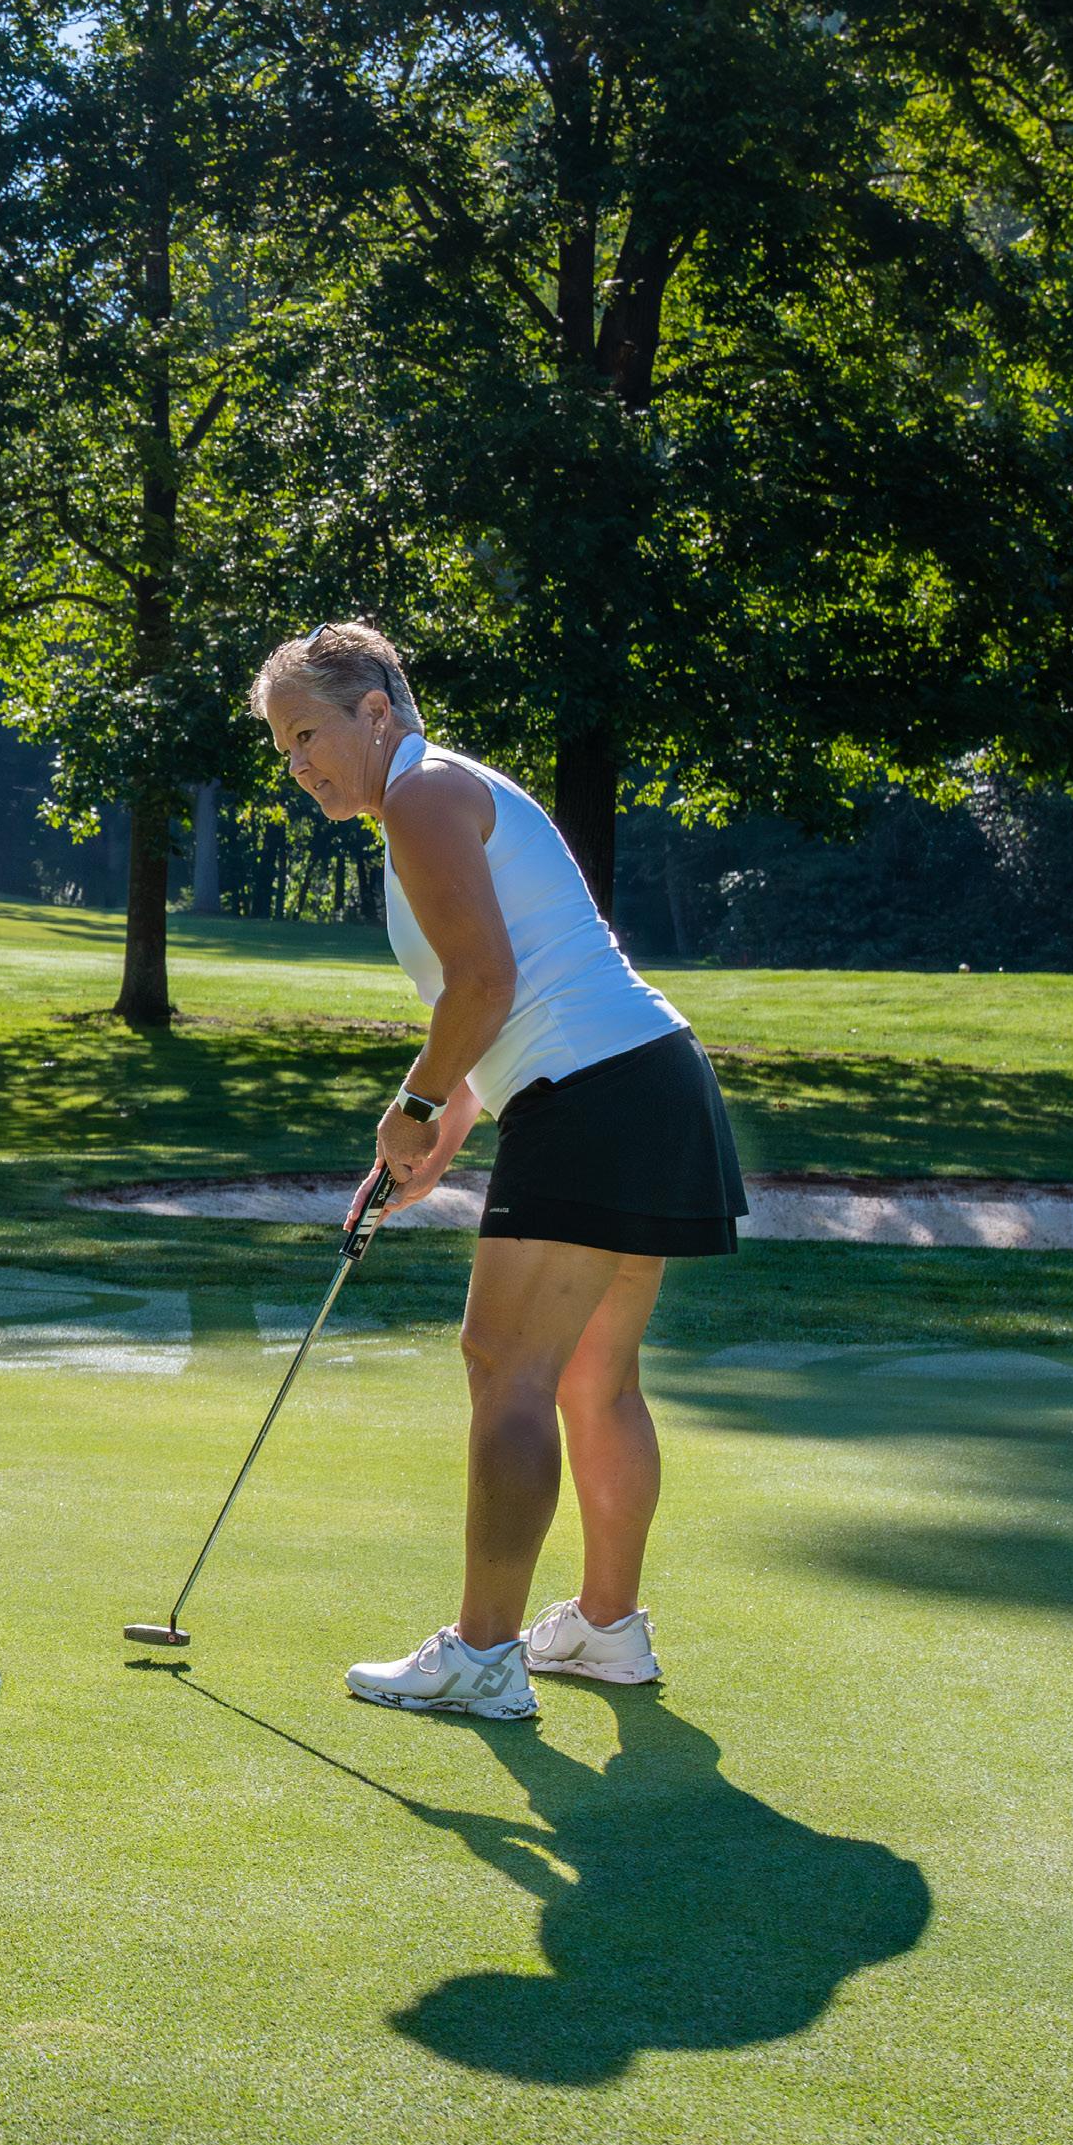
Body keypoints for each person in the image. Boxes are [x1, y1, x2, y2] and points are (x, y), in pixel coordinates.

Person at [251, 622, 747, 1719]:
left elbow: (483, 985)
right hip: (646, 1079)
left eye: (307, 734)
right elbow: (492, 1002)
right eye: (283, 749)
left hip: (595, 1094)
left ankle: (482, 1655)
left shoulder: (423, 795)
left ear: (374, 709)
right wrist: (443, 1135)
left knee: (506, 1365)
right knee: (593, 1378)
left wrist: (412, 1107)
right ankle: (606, 1631)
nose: (298, 766)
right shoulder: (438, 791)